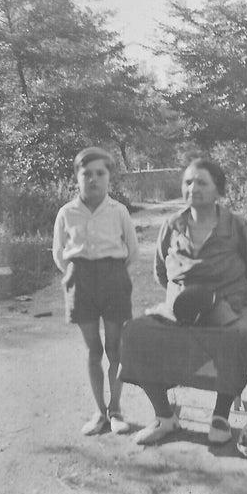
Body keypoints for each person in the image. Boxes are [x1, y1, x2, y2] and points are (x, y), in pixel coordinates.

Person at [119, 158, 247, 445]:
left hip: (229, 308)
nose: (193, 188)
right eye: (188, 182)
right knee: (135, 334)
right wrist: (183, 299)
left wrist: (233, 303)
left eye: (202, 182)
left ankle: (220, 416)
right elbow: (161, 273)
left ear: (219, 190)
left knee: (235, 336)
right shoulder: (171, 225)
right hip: (181, 311)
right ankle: (164, 417)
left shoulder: (237, 227)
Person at [53, 146, 139, 435]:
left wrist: (111, 272)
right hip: (81, 281)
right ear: (76, 177)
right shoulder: (67, 213)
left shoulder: (119, 211)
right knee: (94, 349)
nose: (93, 179)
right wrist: (72, 275)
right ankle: (98, 412)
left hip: (114, 278)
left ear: (109, 178)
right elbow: (59, 252)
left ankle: (115, 410)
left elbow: (132, 250)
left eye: (99, 173)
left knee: (115, 348)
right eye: (86, 173)